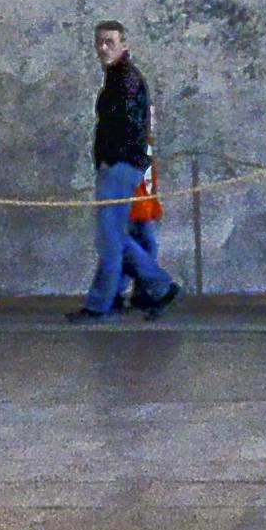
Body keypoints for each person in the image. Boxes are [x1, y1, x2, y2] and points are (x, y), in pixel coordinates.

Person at [74, 20, 177, 321]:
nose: (103, 48)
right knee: (116, 237)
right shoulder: (117, 78)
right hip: (120, 166)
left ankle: (103, 305)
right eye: (99, 42)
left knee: (110, 239)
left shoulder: (126, 80)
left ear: (124, 45)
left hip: (120, 167)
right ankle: (157, 288)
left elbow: (131, 128)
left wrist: (111, 160)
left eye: (110, 42)